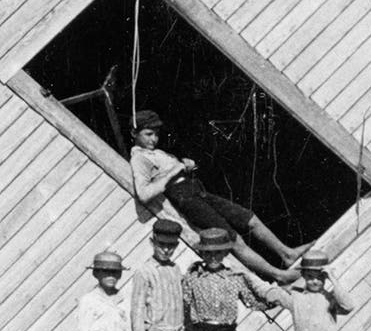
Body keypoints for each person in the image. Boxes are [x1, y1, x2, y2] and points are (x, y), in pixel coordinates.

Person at [129, 110, 303, 283]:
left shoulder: (156, 153)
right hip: (186, 200)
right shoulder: (139, 158)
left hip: (196, 191)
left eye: (156, 134)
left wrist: (185, 166)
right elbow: (144, 194)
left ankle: (287, 253)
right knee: (234, 239)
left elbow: (172, 170)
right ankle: (279, 275)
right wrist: (173, 172)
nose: (154, 139)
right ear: (134, 133)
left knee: (249, 218)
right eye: (148, 134)